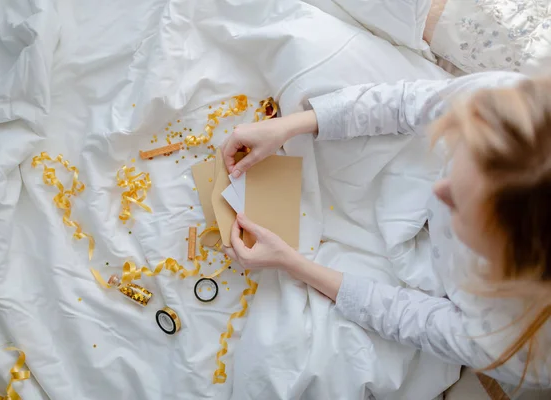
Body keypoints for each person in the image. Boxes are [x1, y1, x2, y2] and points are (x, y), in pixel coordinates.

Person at [221, 71, 551, 389]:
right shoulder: (513, 111)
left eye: (462, 206)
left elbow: (407, 318)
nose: (439, 191)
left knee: (295, 365)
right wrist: (290, 125)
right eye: (463, 164)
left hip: (430, 279)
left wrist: (292, 263)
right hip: (413, 165)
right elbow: (405, 102)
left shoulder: (520, 346)